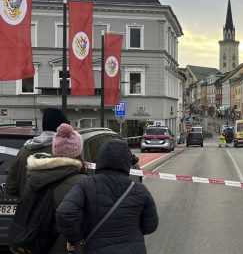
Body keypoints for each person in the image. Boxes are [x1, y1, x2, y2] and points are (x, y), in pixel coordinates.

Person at [56, 139, 158, 254]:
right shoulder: (139, 190)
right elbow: (151, 226)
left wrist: (76, 239)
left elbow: (65, 213)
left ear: (100, 159)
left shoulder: (85, 185)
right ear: (127, 162)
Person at [9, 123, 86, 254]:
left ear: (55, 151)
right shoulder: (80, 183)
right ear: (78, 153)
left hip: (33, 245)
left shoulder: (34, 177)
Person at [7, 108, 69, 197]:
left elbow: (11, 186)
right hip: (54, 208)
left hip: (27, 207)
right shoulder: (65, 152)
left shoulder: (24, 150)